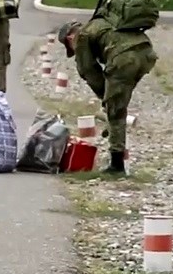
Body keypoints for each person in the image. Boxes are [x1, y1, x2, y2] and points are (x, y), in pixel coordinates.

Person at [58, 18, 157, 175]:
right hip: (146, 53)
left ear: (70, 38)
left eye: (69, 46)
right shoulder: (100, 23)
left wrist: (106, 98)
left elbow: (88, 70)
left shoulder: (81, 37)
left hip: (125, 58)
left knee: (115, 109)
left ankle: (117, 166)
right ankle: (114, 133)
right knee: (118, 103)